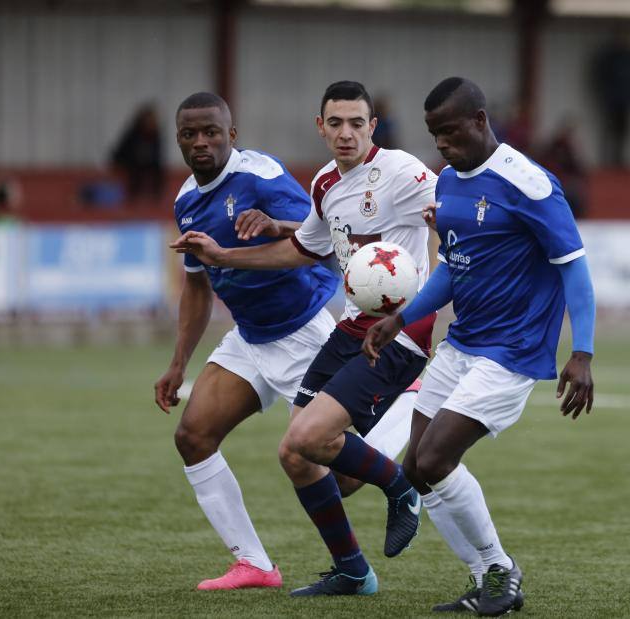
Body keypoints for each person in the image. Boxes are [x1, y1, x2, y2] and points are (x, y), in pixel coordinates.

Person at [170, 80, 448, 597]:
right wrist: (226, 255)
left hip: (368, 331)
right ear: (320, 127)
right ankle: (347, 571)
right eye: (335, 123)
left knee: (325, 460)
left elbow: (454, 204)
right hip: (318, 328)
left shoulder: (398, 172)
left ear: (373, 126)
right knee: (290, 453)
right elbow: (306, 245)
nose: (346, 133)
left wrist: (452, 224)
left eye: (356, 123)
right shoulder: (321, 182)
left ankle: (400, 464)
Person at [362, 77, 596, 616]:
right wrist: (401, 318)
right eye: (433, 134)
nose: (441, 144)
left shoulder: (529, 184)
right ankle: (486, 577)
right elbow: (453, 267)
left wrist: (581, 352)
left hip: (512, 351)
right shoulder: (447, 183)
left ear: (480, 121)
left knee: (438, 455)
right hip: (462, 342)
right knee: (416, 468)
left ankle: (499, 569)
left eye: (450, 132)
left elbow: (574, 270)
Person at [154, 91, 342, 591]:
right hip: (251, 338)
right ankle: (255, 565)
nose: (201, 142)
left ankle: (398, 430)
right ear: (178, 140)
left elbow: (319, 238)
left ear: (231, 136)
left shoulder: (260, 175)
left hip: (304, 330)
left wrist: (276, 226)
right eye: (190, 134)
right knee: (192, 437)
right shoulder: (186, 201)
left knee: (336, 470)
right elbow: (196, 284)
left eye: (211, 132)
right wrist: (178, 363)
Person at [590, 27, 630, 168]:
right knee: (610, 130)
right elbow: (600, 77)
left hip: (626, 101)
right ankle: (608, 161)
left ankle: (622, 160)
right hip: (611, 99)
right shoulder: (610, 57)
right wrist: (605, 94)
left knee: (624, 131)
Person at [110, 102, 165, 201]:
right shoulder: (134, 132)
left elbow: (158, 154)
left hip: (145, 160)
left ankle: (156, 196)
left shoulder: (155, 134)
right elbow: (125, 151)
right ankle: (133, 195)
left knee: (158, 168)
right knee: (135, 169)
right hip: (128, 160)